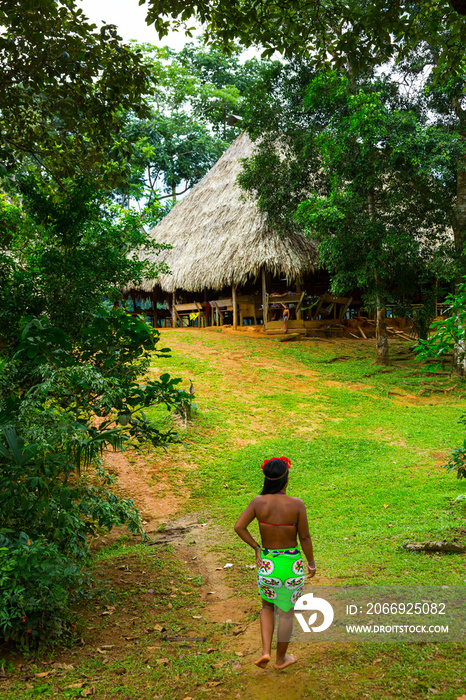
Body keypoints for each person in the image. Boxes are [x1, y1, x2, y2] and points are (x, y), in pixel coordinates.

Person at [234, 457, 316, 670]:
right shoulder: (297, 504)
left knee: (267, 607)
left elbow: (239, 527)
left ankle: (265, 652)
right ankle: (281, 659)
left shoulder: (257, 502)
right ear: (286, 479)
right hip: (291, 567)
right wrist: (311, 563)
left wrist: (256, 547)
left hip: (267, 565)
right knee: (286, 612)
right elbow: (305, 538)